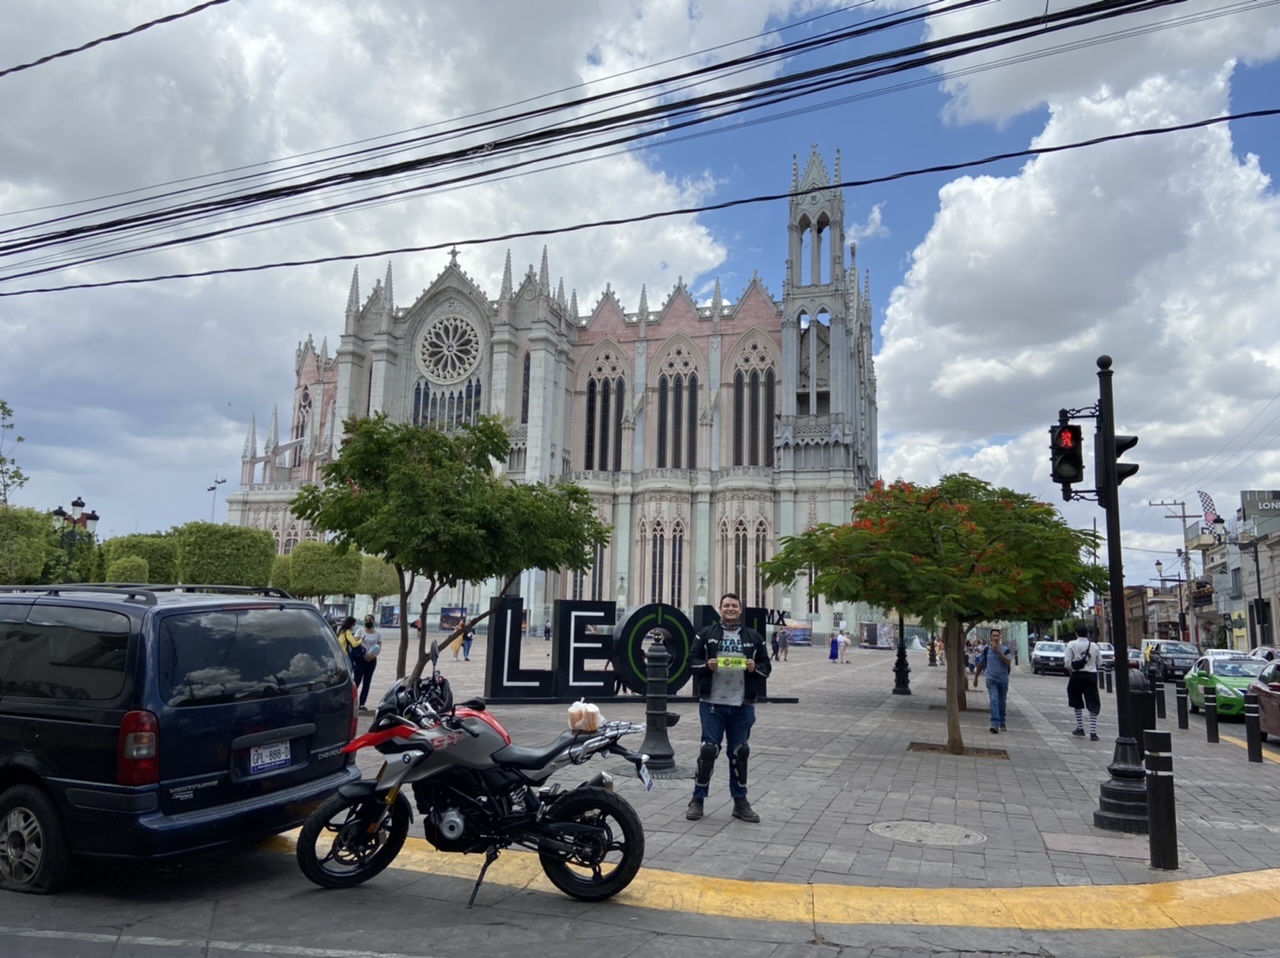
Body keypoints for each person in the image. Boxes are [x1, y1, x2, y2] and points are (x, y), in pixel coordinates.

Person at [686, 593, 772, 824]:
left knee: (740, 752)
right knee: (708, 751)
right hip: (712, 703)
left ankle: (740, 802)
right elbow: (691, 661)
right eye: (726, 605)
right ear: (720, 609)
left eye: (734, 605)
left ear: (740, 609)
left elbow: (767, 665)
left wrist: (755, 667)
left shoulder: (753, 637)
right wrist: (707, 665)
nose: (730, 608)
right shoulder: (706, 635)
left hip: (742, 704)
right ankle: (698, 799)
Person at [1065, 625, 1102, 740]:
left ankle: (1080, 727)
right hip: (1091, 675)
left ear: (1076, 633)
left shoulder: (1071, 644)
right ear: (1087, 634)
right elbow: (1100, 662)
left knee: (1077, 701)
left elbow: (1067, 663)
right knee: (1092, 702)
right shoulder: (1094, 646)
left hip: (1077, 675)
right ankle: (1093, 732)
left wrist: (1073, 671)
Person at [973, 628, 1012, 733]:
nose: (995, 637)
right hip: (991, 679)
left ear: (1000, 637)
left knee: (1001, 702)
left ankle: (1002, 721)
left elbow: (1008, 661)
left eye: (997, 636)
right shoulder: (986, 650)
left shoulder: (1005, 649)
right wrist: (976, 677)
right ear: (990, 637)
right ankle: (995, 724)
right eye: (993, 636)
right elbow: (981, 663)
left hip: (1003, 679)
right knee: (994, 699)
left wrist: (998, 651)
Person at [357, 615, 382, 711]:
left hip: (372, 659)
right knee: (357, 681)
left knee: (367, 682)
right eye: (366, 620)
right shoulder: (360, 631)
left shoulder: (378, 634)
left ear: (373, 621)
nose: (368, 621)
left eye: (370, 620)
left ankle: (362, 703)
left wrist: (373, 656)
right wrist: (364, 654)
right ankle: (352, 702)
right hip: (361, 659)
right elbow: (356, 644)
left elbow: (379, 647)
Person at [336, 616, 364, 691]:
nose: (354, 627)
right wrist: (361, 640)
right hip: (345, 654)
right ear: (351, 624)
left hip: (339, 654)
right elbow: (354, 644)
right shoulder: (347, 632)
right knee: (349, 671)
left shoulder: (340, 631)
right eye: (353, 625)